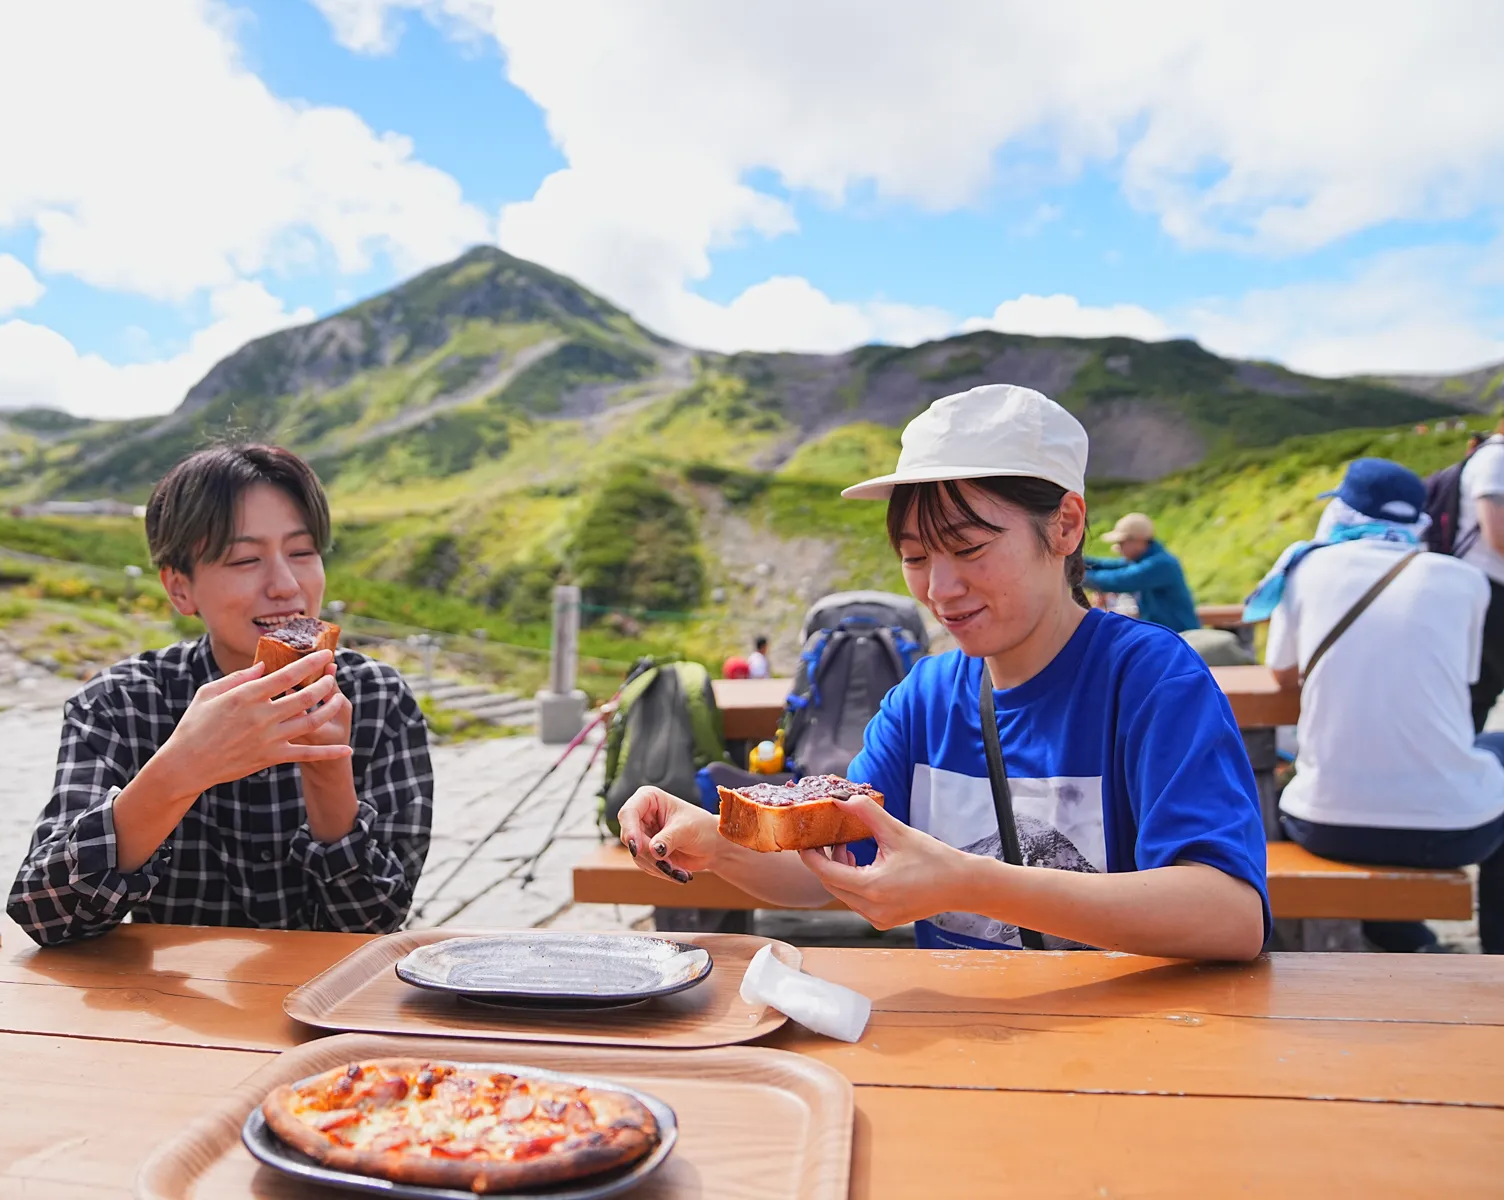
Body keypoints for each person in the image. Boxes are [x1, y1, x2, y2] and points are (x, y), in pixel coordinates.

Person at [616, 384, 1270, 959]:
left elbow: (1230, 916)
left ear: (1065, 525)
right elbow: (835, 864)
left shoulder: (1151, 681)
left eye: (969, 548)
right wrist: (719, 839)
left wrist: (969, 881)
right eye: (915, 556)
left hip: (1129, 1048)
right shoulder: (923, 699)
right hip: (961, 1040)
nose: (940, 588)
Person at [7, 444, 433, 946]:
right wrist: (183, 767)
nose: (285, 585)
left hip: (326, 1007)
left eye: (301, 552)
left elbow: (374, 927)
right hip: (163, 1009)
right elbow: (45, 915)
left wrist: (327, 770)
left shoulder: (379, 699)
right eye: (244, 558)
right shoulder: (119, 702)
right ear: (179, 588)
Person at [1251, 458, 1504, 953]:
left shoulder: (1304, 566)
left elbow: (1282, 672)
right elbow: (1466, 676)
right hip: (1452, 834)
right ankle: (1495, 950)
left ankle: (1408, 939)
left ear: (1342, 510)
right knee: (1493, 749)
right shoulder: (1465, 580)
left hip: (1323, 827)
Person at [1456, 423, 1504, 730]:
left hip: (1486, 588)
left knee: (1480, 689)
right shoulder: (1496, 460)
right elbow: (1497, 536)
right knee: (1477, 690)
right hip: (1485, 588)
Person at [1081, 513, 1200, 633]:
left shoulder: (1161, 564)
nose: (1118, 547)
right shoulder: (1143, 561)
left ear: (1138, 541)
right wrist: (1074, 559)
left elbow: (1119, 581)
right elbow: (1103, 565)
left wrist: (1076, 575)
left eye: (1121, 543)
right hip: (1166, 635)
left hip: (1182, 637)